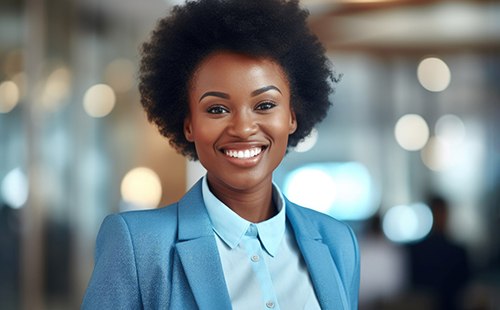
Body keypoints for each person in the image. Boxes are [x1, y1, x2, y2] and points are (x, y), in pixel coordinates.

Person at [82, 0, 360, 309]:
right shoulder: (139, 246)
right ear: (188, 124)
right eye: (217, 109)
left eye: (265, 105)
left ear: (292, 116)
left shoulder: (338, 242)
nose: (242, 128)